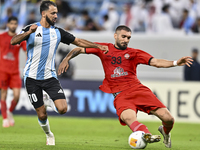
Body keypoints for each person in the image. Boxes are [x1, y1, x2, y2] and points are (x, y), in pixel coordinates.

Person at [58, 25, 193, 148]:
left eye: (128, 38)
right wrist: (66, 59)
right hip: (121, 95)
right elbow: (78, 49)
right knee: (129, 118)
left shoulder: (134, 53)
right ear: (115, 36)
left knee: (168, 118)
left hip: (138, 90)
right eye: (123, 36)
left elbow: (156, 62)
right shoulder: (104, 48)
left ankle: (165, 131)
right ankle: (146, 134)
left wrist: (176, 62)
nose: (126, 40)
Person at [10, 1, 108, 146]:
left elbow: (78, 41)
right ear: (43, 14)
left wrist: (97, 46)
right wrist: (28, 32)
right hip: (31, 78)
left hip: (50, 77)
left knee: (62, 109)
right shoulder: (31, 28)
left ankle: (49, 101)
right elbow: (13, 41)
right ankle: (49, 134)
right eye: (53, 13)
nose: (56, 16)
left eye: (56, 13)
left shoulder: (58, 32)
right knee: (42, 114)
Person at [0, 16, 26, 128]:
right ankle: (5, 118)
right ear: (8, 24)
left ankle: (10, 112)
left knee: (17, 96)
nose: (13, 26)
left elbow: (27, 52)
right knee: (3, 94)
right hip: (3, 71)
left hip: (15, 71)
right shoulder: (1, 37)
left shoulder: (19, 38)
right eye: (12, 23)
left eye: (15, 24)